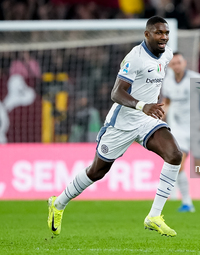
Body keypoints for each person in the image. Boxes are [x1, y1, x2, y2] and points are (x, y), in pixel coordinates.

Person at [47, 16, 182, 237]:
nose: (164, 37)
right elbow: (116, 93)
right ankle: (58, 203)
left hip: (147, 120)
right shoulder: (135, 58)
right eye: (159, 33)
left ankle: (154, 216)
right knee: (97, 171)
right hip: (122, 123)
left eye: (166, 33)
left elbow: (154, 81)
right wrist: (142, 105)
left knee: (175, 155)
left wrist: (155, 104)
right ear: (147, 34)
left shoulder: (167, 54)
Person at [162, 52, 200, 212]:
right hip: (178, 129)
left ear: (185, 63)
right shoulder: (168, 82)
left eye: (179, 62)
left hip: (196, 128)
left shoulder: (195, 79)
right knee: (178, 163)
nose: (176, 66)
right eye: (173, 64)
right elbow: (167, 102)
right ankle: (187, 202)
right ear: (170, 66)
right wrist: (161, 115)